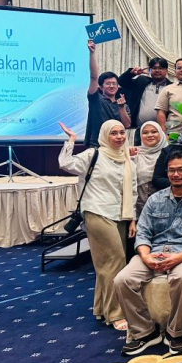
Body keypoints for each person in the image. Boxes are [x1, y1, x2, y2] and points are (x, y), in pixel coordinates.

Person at [114, 151, 182, 356]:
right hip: (154, 251)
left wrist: (179, 257)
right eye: (171, 170)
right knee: (122, 279)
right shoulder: (154, 199)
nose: (176, 174)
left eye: (181, 170)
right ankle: (145, 332)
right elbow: (143, 233)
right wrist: (146, 256)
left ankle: (176, 331)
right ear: (166, 172)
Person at [58, 120, 137, 330]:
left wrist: (132, 218)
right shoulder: (93, 155)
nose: (119, 137)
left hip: (120, 215)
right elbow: (65, 163)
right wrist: (71, 140)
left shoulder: (127, 159)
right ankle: (115, 313)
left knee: (106, 265)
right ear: (104, 135)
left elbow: (132, 190)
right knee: (116, 260)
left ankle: (102, 308)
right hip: (97, 211)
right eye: (114, 133)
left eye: (122, 132)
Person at [85, 40, 131, 147]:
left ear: (118, 87)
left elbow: (127, 125)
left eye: (114, 84)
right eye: (108, 83)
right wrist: (92, 53)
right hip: (97, 145)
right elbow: (93, 77)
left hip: (117, 145)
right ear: (101, 87)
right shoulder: (96, 100)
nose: (111, 86)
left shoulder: (123, 104)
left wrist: (121, 108)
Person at [118, 58, 171, 139]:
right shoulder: (141, 82)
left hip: (163, 131)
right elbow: (121, 81)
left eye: (160, 68)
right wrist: (131, 73)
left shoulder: (172, 87)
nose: (157, 70)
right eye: (154, 68)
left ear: (166, 70)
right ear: (149, 70)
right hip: (141, 130)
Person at [132, 121, 168, 217]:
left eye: (154, 132)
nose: (150, 135)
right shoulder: (134, 154)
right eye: (145, 133)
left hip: (164, 208)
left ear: (161, 133)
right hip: (139, 207)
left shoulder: (168, 153)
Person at [156, 58, 182, 135]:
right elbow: (161, 112)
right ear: (175, 72)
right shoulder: (168, 89)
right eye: (179, 68)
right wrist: (164, 134)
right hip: (174, 132)